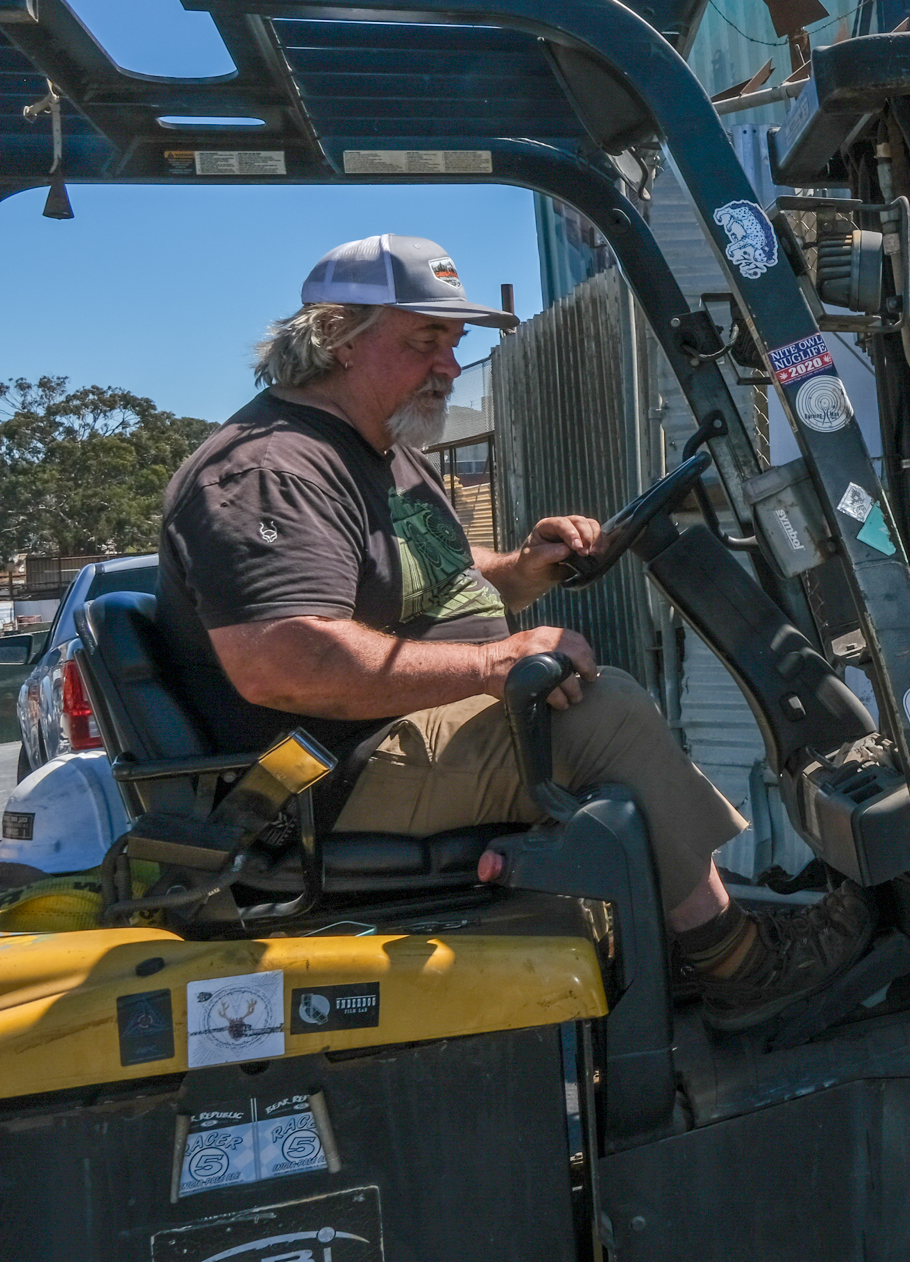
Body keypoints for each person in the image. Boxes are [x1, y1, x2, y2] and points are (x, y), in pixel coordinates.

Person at [156, 235, 870, 1030]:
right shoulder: (274, 469)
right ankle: (737, 962)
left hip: (392, 733)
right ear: (334, 335)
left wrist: (530, 568)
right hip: (329, 772)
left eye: (454, 343)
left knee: (576, 690)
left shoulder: (383, 449)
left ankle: (670, 932)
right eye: (425, 340)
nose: (449, 366)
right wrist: (496, 660)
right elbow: (283, 660)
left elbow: (433, 588)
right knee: (606, 715)